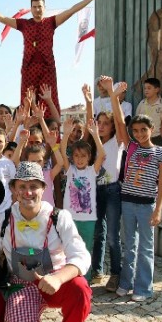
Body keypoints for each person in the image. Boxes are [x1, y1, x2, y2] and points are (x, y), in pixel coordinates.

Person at [0, 161, 92, 322]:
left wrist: (57, 278)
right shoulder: (3, 220)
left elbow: (81, 256)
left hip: (55, 282)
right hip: (22, 285)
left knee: (80, 288)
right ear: (14, 190)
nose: (28, 192)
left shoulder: (59, 217)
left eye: (33, 186)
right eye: (22, 186)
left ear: (43, 189)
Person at [0, 0, 106, 118]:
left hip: (47, 68)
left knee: (49, 100)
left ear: (44, 7)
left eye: (39, 6)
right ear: (31, 9)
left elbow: (71, 10)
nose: (37, 9)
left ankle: (51, 131)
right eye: (34, 7)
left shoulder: (52, 22)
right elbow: (2, 18)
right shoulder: (24, 24)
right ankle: (26, 132)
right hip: (29, 68)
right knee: (27, 101)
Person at [110, 84, 162, 302]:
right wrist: (113, 96)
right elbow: (118, 121)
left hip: (147, 205)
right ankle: (126, 283)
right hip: (127, 202)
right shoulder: (131, 147)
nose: (139, 134)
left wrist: (158, 210)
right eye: (135, 131)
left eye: (143, 130)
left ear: (151, 129)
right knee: (130, 246)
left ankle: (144, 288)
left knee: (145, 247)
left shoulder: (161, 152)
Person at [84, 78, 126, 291]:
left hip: (112, 191)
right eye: (98, 123)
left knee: (112, 235)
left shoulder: (117, 141)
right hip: (96, 191)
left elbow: (120, 121)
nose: (100, 127)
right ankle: (97, 270)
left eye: (105, 123)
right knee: (98, 233)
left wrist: (112, 94)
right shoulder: (94, 141)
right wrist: (89, 102)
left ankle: (116, 274)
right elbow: (88, 127)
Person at [61, 118, 106, 283]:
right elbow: (61, 153)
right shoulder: (70, 170)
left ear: (89, 158)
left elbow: (102, 154)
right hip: (70, 219)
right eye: (77, 156)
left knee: (86, 250)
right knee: (68, 249)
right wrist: (65, 134)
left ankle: (84, 281)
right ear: (72, 157)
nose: (80, 159)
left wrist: (94, 134)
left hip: (88, 220)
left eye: (83, 156)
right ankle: (68, 280)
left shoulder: (91, 171)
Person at [135, 77, 162, 147]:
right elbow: (137, 120)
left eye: (149, 88)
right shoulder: (142, 103)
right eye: (145, 88)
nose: (146, 90)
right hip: (142, 137)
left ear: (156, 89)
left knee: (156, 157)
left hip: (156, 137)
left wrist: (161, 135)